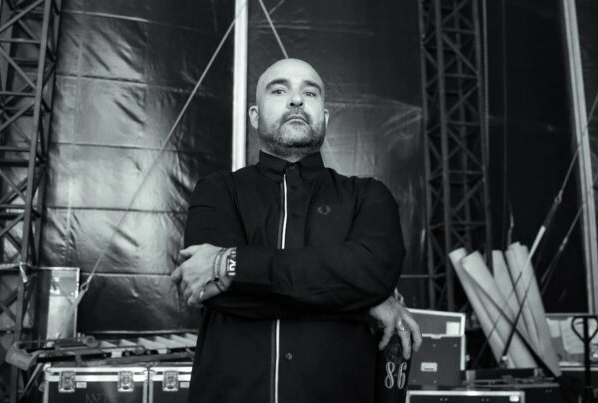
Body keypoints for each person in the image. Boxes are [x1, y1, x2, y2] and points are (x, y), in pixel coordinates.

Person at [171, 58, 421, 403]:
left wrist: (229, 264)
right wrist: (357, 301)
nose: (296, 100)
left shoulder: (368, 195)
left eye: (310, 92)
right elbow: (220, 295)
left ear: (325, 117)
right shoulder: (217, 191)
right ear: (255, 116)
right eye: (279, 90)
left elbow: (372, 275)